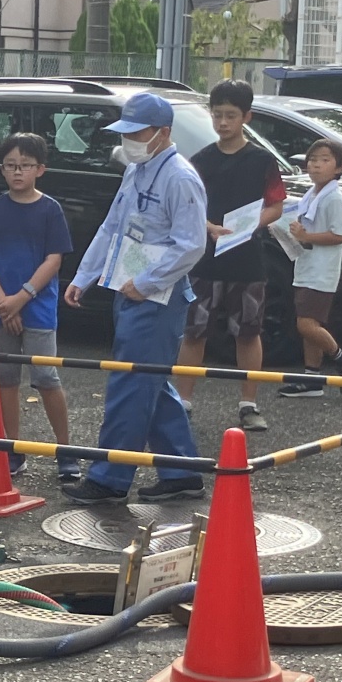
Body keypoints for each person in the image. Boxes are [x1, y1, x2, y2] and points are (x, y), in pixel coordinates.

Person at [62, 92, 206, 504]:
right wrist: (86, 275)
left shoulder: (180, 177)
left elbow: (191, 244)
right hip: (133, 290)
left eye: (137, 133)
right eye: (125, 132)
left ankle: (109, 479)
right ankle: (182, 473)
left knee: (131, 382)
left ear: (163, 133)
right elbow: (112, 228)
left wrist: (144, 282)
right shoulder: (137, 170)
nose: (129, 140)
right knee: (151, 384)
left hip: (155, 296)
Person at [174, 79, 287, 432]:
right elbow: (189, 205)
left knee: (248, 332)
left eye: (231, 116)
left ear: (247, 117)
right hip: (205, 257)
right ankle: (183, 403)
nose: (223, 122)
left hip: (247, 258)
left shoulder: (262, 160)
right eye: (218, 115)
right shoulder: (201, 160)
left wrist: (251, 225)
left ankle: (248, 404)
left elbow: (277, 205)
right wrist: (208, 226)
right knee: (194, 331)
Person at [0, 133, 78, 481]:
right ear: (2, 170)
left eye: (26, 166)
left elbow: (54, 260)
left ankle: (66, 451)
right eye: (11, 166)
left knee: (47, 377)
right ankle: (11, 450)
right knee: (5, 379)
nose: (18, 172)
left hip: (38, 308)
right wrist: (4, 302)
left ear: (40, 169)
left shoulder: (50, 209)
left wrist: (22, 298)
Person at [275, 140, 342, 399]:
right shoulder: (312, 194)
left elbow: (338, 235)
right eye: (313, 159)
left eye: (324, 160)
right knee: (308, 322)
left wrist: (306, 236)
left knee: (306, 324)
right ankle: (312, 377)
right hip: (306, 265)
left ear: (339, 167)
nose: (316, 165)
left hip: (322, 270)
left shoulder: (333, 198)